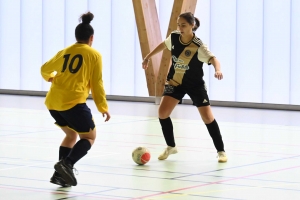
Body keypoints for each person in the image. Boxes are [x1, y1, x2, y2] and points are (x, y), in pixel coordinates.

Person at [142, 12, 227, 163]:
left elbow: (214, 59)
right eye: (179, 24)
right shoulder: (174, 37)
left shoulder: (198, 46)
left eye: (184, 25)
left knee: (207, 118)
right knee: (162, 113)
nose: (180, 28)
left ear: (192, 25)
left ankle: (221, 151)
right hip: (176, 82)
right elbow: (164, 44)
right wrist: (148, 56)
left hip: (195, 85)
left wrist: (217, 69)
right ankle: (171, 146)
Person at [41, 12, 110, 187]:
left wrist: (49, 77)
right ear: (91, 38)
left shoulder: (65, 52)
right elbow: (97, 84)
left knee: (71, 135)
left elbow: (45, 68)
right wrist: (102, 106)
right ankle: (67, 164)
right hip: (72, 104)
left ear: (76, 36)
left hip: (53, 103)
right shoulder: (94, 55)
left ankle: (59, 175)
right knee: (90, 137)